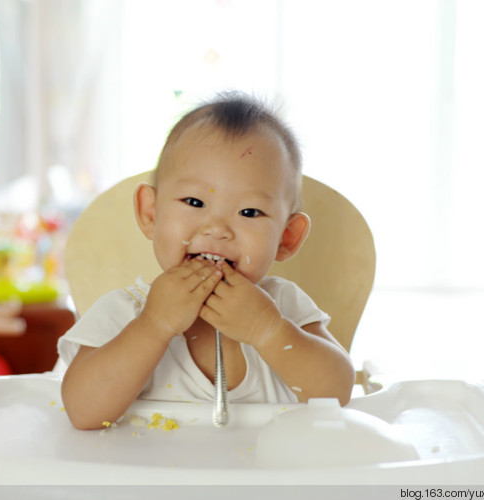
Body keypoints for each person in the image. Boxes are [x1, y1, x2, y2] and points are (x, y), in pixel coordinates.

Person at [58, 92, 355, 430]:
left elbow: (338, 395)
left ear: (287, 237)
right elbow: (83, 412)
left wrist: (269, 331)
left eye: (249, 212)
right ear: (151, 213)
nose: (217, 229)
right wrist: (153, 325)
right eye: (194, 202)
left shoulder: (284, 307)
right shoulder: (125, 312)